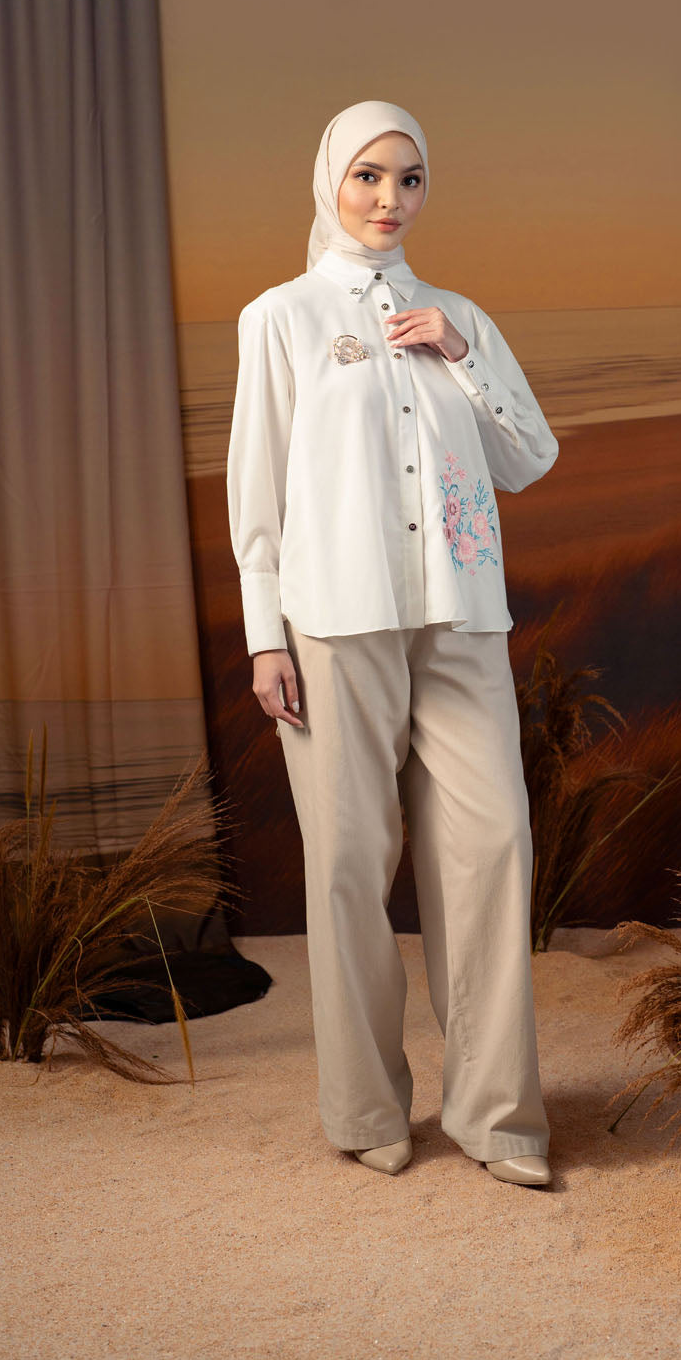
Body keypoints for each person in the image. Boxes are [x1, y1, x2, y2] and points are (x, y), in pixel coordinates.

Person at [226, 100, 560, 1186]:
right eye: (368, 175)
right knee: (348, 864)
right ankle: (365, 1106)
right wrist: (264, 637)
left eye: (409, 179)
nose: (388, 198)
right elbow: (258, 491)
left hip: (460, 615)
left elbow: (529, 457)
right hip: (334, 621)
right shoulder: (279, 318)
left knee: (494, 844)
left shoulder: (459, 316)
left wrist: (461, 356)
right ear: (330, 179)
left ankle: (497, 1116)